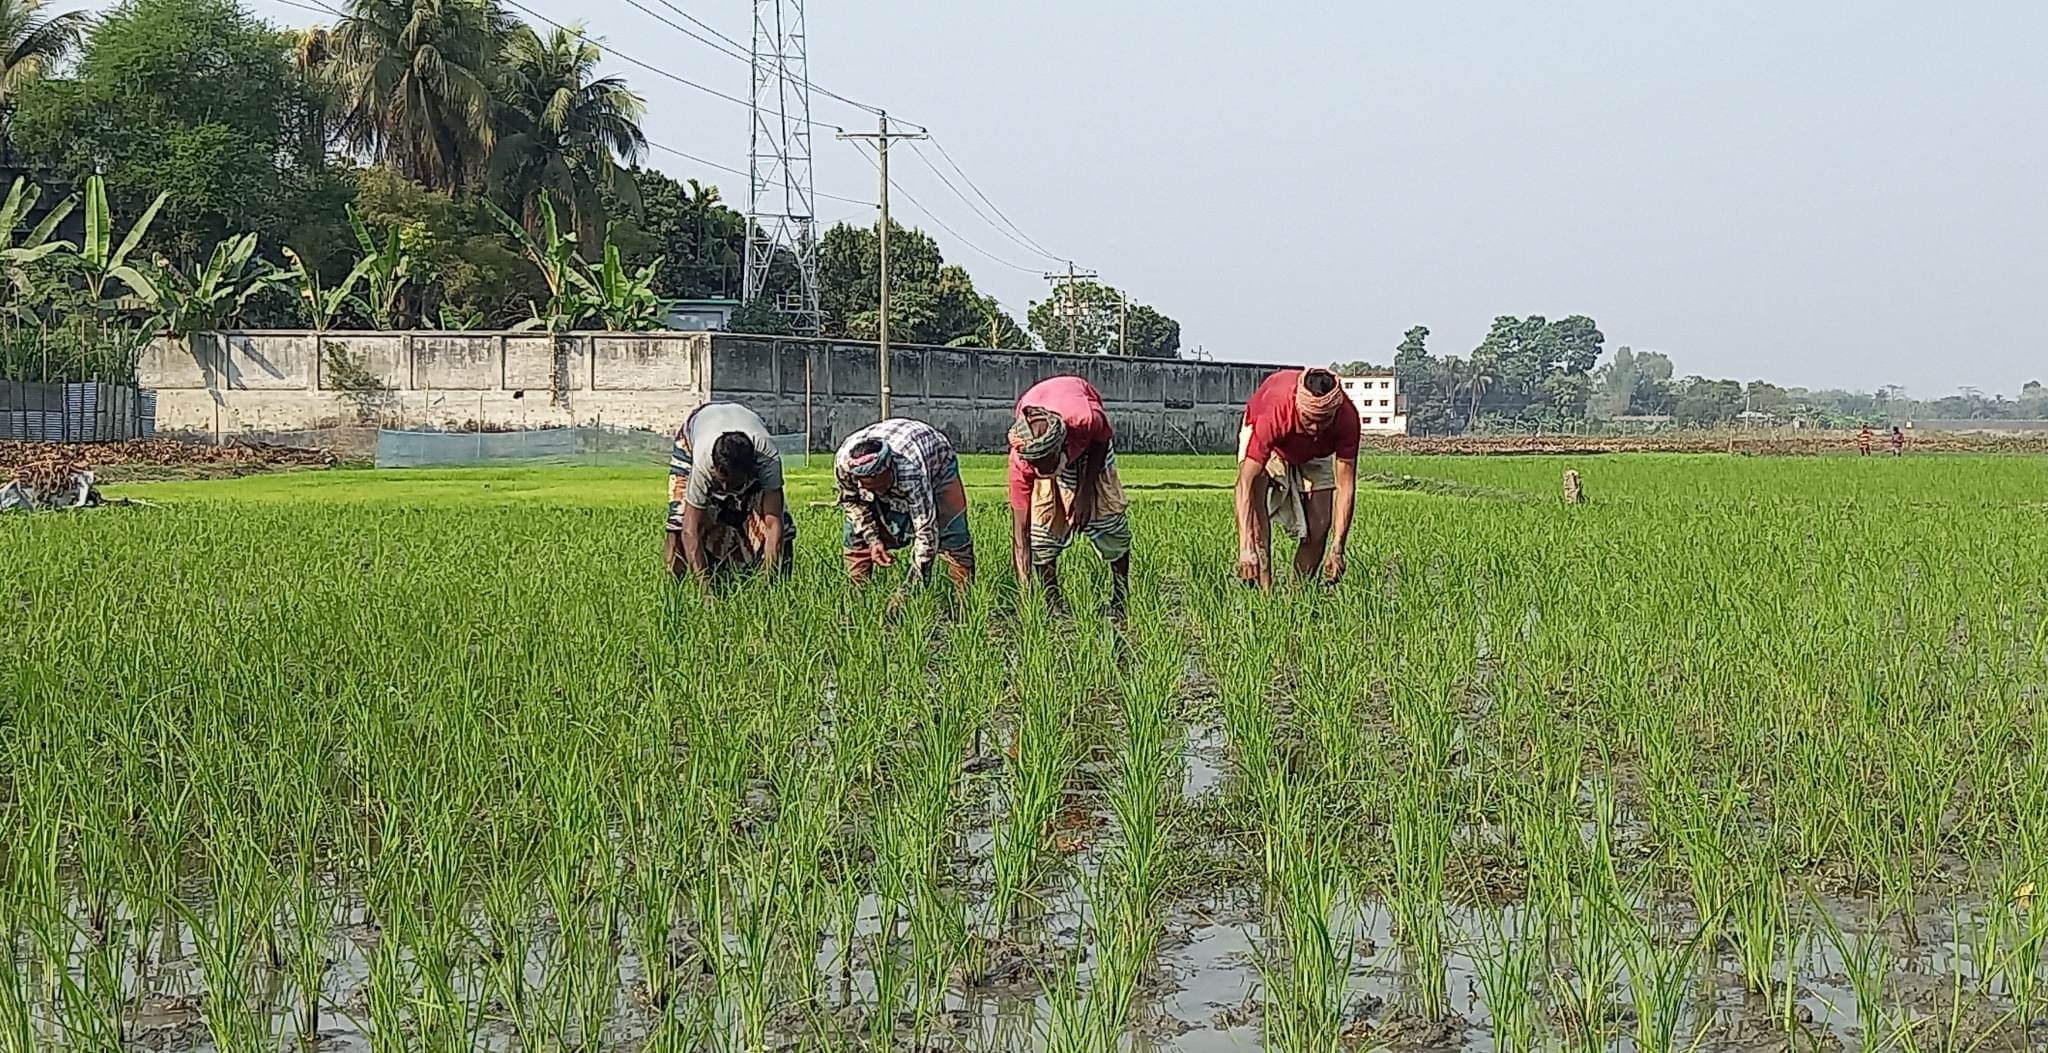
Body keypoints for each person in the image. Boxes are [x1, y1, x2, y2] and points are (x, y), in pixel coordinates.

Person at [1008, 375, 1131, 611]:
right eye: (1039, 469)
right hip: (1047, 435)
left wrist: (1084, 494)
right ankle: (1053, 602)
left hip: (1092, 446)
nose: (1045, 472)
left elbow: (1102, 441)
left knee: (1109, 522)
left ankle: (1120, 598)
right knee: (1041, 530)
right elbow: (1021, 535)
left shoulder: (1085, 419)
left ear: (1063, 447)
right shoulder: (1022, 461)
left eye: (1049, 466)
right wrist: (1025, 593)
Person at [1234, 366, 1359, 590]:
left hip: (1315, 453)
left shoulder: (1346, 418)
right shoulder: (1275, 412)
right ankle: (1266, 596)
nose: (1315, 428)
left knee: (1320, 524)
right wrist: (1245, 547)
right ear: (1300, 407)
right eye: (1309, 420)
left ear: (1333, 412)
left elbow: (1346, 486)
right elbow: (1245, 483)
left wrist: (1338, 548)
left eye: (1323, 421)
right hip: (1273, 445)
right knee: (1257, 518)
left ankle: (1298, 597)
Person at [835, 417, 975, 587]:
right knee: (856, 535)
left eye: (867, 482)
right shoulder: (845, 464)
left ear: (884, 473)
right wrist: (873, 540)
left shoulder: (912, 473)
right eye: (858, 481)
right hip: (897, 442)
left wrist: (908, 589)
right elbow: (851, 503)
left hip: (938, 462)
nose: (859, 486)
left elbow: (926, 534)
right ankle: (855, 600)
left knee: (953, 535)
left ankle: (964, 602)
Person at [664, 401, 793, 583]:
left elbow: (774, 523)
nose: (724, 490)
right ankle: (673, 583)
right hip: (694, 432)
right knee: (677, 521)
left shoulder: (768, 459)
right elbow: (689, 530)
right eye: (721, 482)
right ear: (714, 467)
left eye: (731, 483)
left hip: (744, 425)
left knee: (786, 526)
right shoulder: (703, 464)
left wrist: (767, 581)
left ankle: (779, 583)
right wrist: (705, 591)